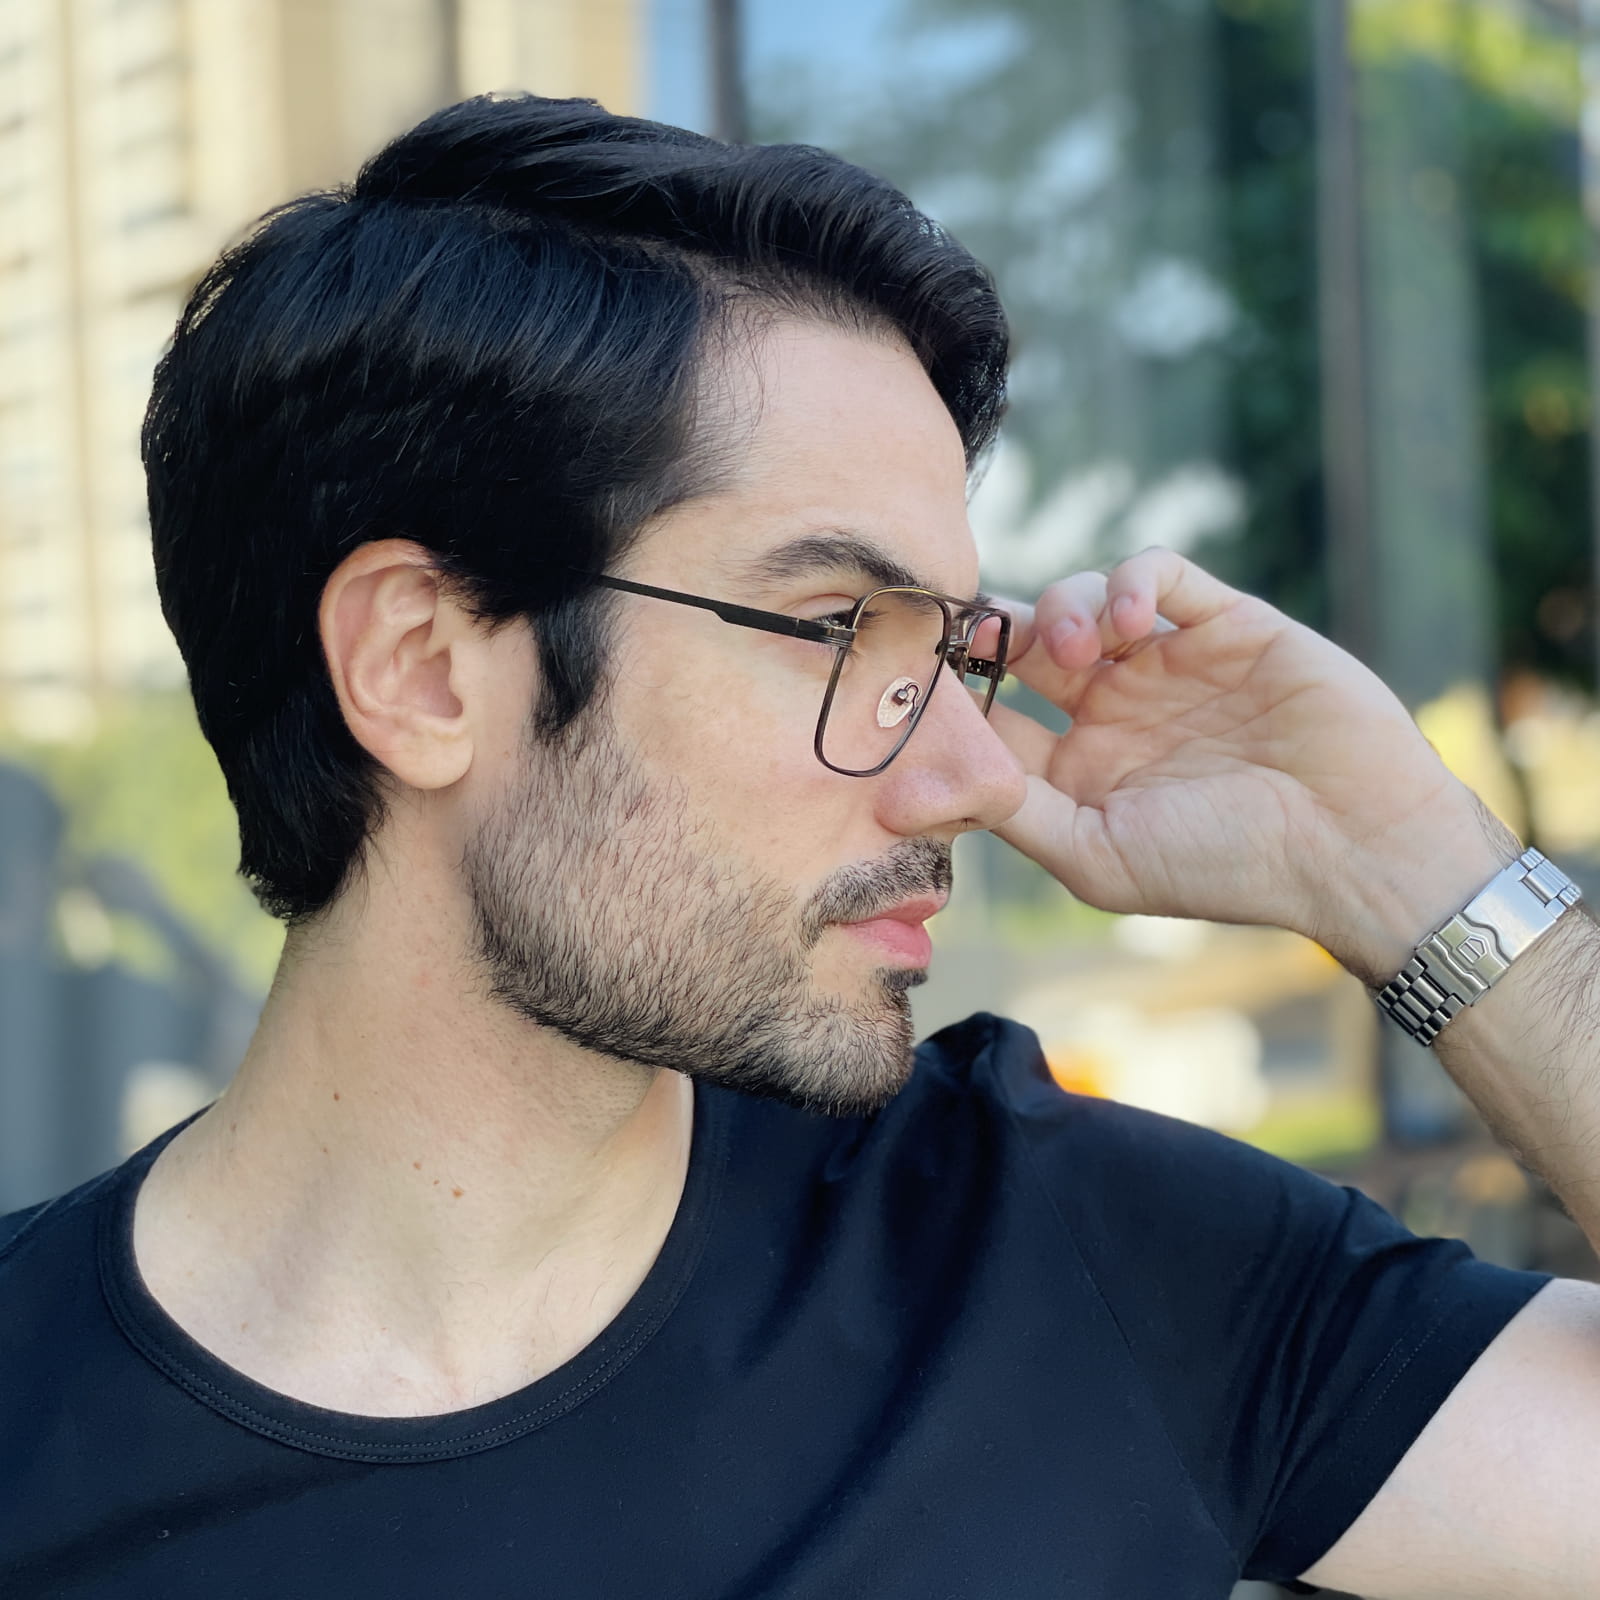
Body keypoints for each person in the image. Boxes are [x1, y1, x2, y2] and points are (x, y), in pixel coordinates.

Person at [2, 93, 1597, 1600]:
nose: (973, 774)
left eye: (950, 649)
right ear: (421, 667)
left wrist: (1410, 873)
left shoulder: (1072, 1261)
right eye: (838, 626)